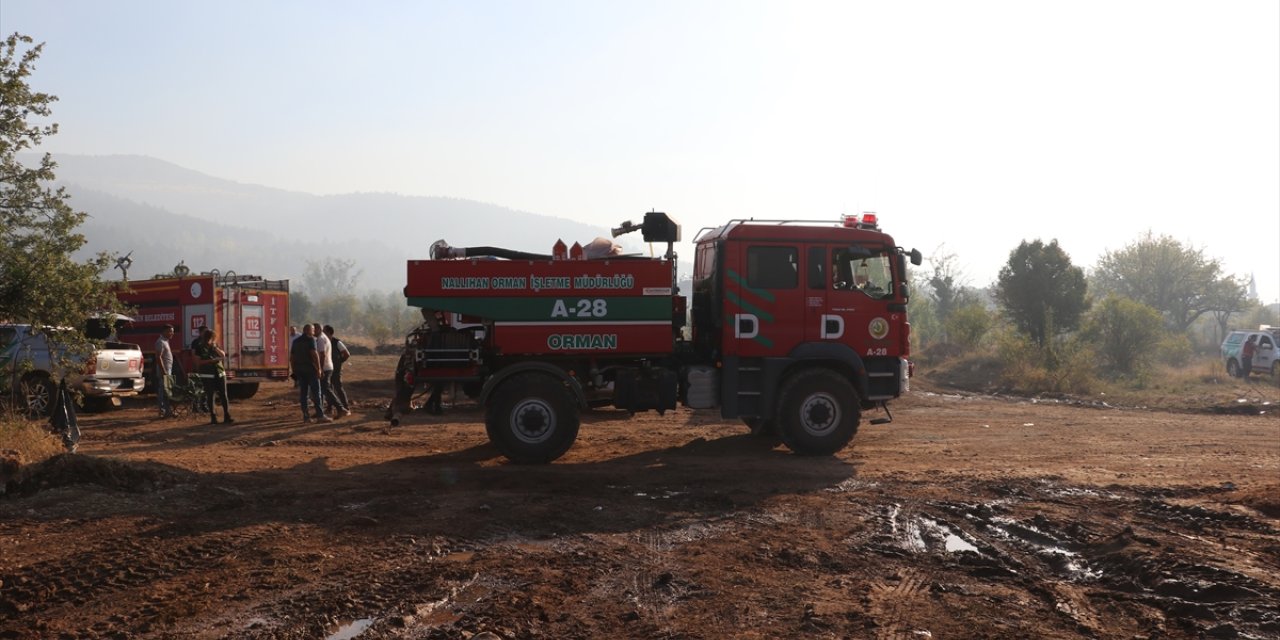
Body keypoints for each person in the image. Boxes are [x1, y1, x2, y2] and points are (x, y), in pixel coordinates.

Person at [194, 327, 234, 424]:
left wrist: (215, 348)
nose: (211, 340)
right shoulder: (199, 347)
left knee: (223, 394)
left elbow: (223, 355)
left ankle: (227, 416)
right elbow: (198, 362)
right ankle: (213, 417)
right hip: (207, 374)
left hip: (219, 372)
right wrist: (211, 361)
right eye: (210, 337)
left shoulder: (215, 346)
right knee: (210, 395)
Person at [291, 324, 328, 423]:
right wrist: (319, 369)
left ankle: (306, 417)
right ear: (308, 331)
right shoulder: (311, 340)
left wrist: (294, 369)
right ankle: (320, 415)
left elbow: (292, 357)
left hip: (300, 370)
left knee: (304, 394)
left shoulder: (295, 341)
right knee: (317, 393)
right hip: (311, 370)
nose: (314, 331)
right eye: (313, 330)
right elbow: (314, 354)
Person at [313, 322, 348, 418]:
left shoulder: (321, 339)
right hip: (328, 367)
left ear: (318, 329)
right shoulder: (324, 338)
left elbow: (322, 355)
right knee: (322, 389)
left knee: (328, 389)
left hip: (325, 368)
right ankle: (322, 410)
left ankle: (341, 408)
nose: (312, 332)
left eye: (313, 329)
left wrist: (320, 368)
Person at [324, 325, 352, 416]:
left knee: (338, 388)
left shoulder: (337, 342)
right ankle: (330, 408)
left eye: (324, 331)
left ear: (329, 333)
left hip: (335, 370)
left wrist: (339, 362)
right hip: (327, 369)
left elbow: (347, 354)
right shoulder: (324, 342)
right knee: (329, 389)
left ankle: (346, 408)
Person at [155, 324, 176, 418]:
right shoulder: (160, 342)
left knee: (167, 391)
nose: (172, 333)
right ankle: (162, 411)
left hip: (168, 370)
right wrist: (163, 371)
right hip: (164, 371)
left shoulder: (166, 341)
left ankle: (168, 411)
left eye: (172, 331)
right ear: (165, 331)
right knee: (163, 391)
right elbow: (158, 357)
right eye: (170, 331)